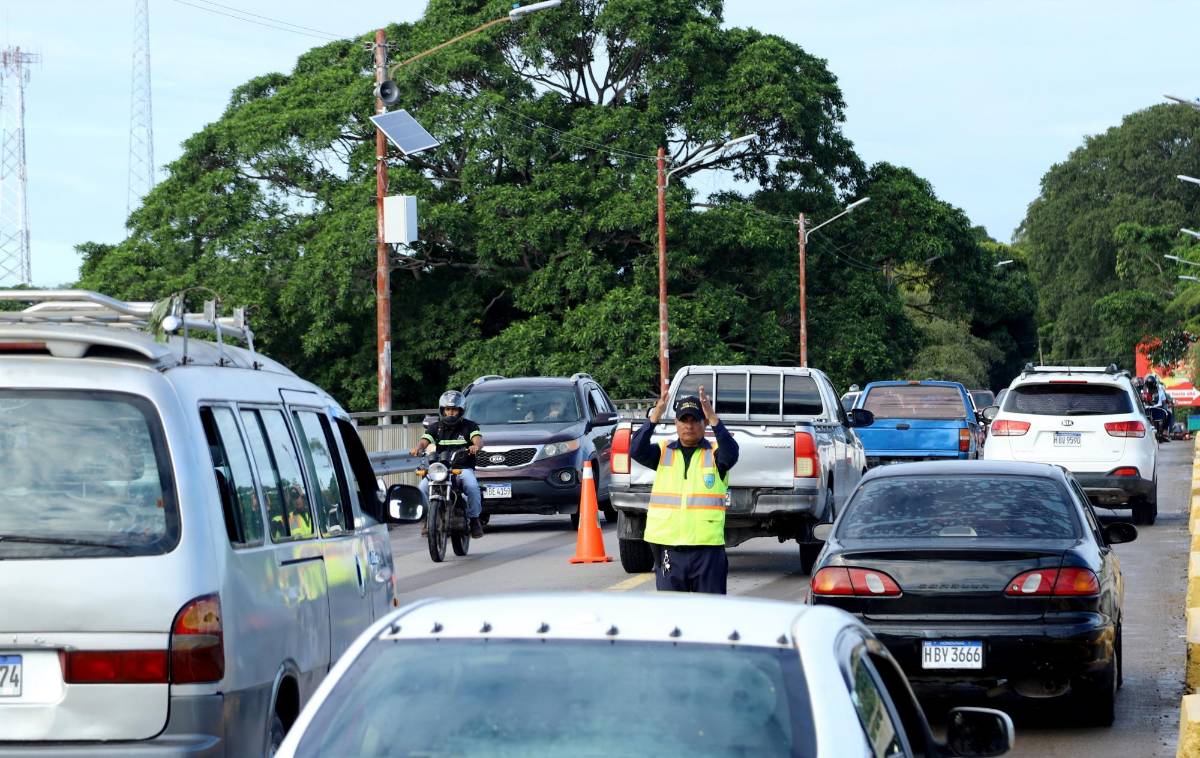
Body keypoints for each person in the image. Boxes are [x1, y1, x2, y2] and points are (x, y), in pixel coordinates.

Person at [630, 386, 739, 594]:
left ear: (704, 423)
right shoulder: (663, 452)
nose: (688, 426)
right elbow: (636, 449)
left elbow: (731, 454)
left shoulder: (716, 454)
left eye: (694, 420)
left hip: (707, 550)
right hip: (669, 547)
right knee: (673, 618)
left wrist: (714, 418)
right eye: (683, 420)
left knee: (709, 614)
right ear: (675, 423)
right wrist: (655, 416)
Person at [410, 390, 485, 539]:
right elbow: (425, 440)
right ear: (442, 410)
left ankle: (475, 520)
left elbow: (478, 439)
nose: (451, 413)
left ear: (460, 411)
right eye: (448, 409)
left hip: (461, 469)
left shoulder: (469, 426)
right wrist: (418, 448)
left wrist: (476, 446)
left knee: (472, 486)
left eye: (454, 409)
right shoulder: (435, 427)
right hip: (440, 469)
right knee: (423, 487)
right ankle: (426, 519)